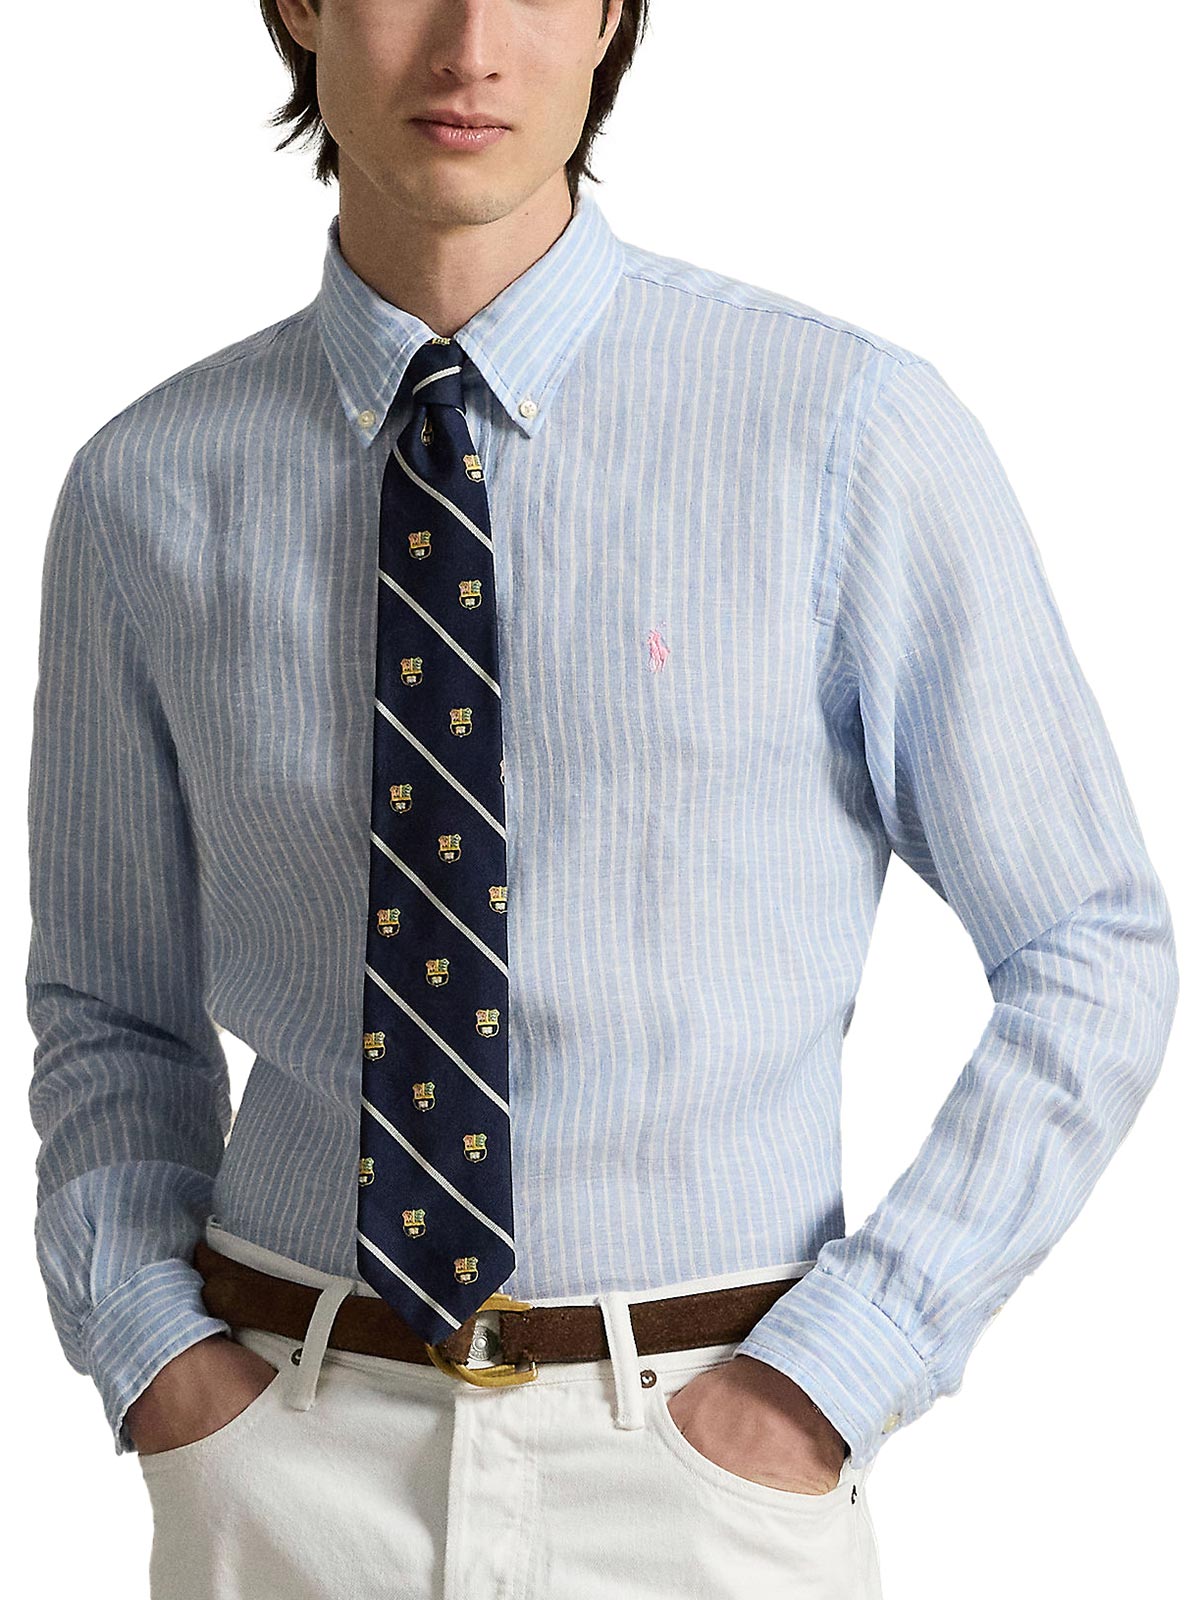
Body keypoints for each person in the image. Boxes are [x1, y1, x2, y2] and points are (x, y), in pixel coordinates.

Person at [25, 2, 1179, 1597]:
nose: (471, 44)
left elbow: (1090, 944)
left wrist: (836, 1373)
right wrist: (157, 1358)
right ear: (297, 4)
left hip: (706, 1474)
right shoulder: (147, 485)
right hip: (286, 1466)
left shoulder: (839, 433)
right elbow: (107, 1005)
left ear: (616, 12)